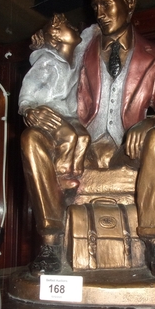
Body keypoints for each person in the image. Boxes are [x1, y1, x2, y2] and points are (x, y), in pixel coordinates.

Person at [22, 0, 155, 279]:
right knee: (31, 139)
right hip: (82, 147)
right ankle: (51, 242)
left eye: (107, 4)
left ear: (129, 3)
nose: (100, 13)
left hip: (127, 151)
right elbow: (51, 67)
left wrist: (153, 122)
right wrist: (42, 46)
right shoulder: (82, 45)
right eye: (96, 6)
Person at [19, 14, 98, 188]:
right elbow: (29, 87)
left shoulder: (75, 59)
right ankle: (62, 174)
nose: (74, 28)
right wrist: (27, 109)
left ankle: (76, 172)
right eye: (68, 26)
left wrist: (96, 28)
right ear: (56, 36)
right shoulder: (47, 61)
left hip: (68, 114)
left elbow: (85, 40)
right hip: (48, 111)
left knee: (84, 137)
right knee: (68, 137)